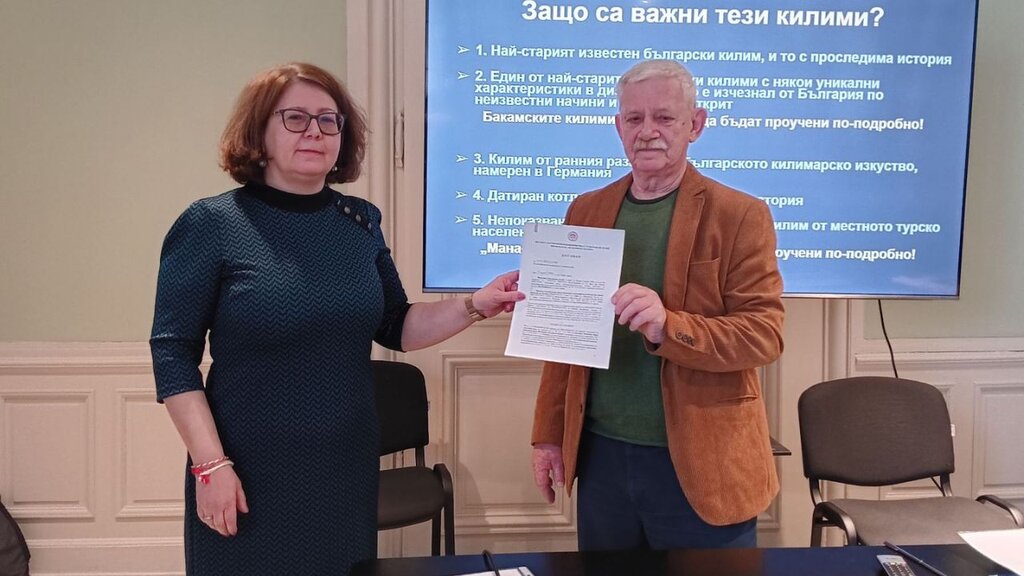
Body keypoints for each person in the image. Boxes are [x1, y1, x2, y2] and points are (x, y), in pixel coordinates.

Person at [150, 62, 523, 576]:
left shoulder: (359, 222)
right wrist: (209, 465)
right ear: (259, 131)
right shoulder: (213, 223)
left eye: (329, 120)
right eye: (295, 118)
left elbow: (396, 325)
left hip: (344, 466)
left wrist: (475, 304)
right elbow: (173, 353)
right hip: (244, 465)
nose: (315, 132)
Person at [530, 60, 784, 551]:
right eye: (634, 118)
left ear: (696, 124)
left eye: (664, 117)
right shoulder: (586, 209)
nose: (647, 131)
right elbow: (564, 336)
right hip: (601, 459)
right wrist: (548, 435)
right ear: (618, 126)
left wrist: (669, 326)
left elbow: (763, 335)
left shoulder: (740, 214)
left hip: (705, 463)